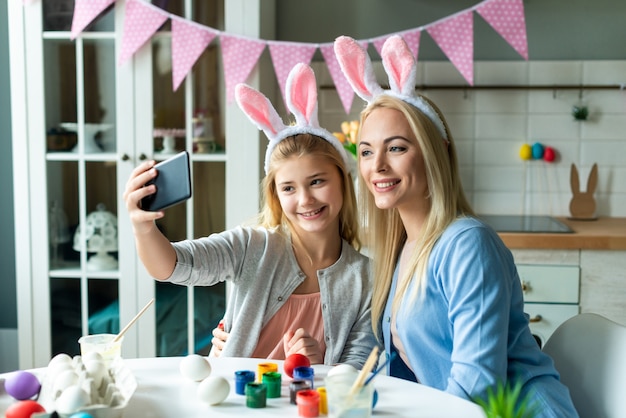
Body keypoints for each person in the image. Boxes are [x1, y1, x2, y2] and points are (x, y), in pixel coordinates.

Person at [333, 34, 578, 416]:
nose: (376, 165)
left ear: (435, 153)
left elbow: (476, 386)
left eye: (396, 148)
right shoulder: (403, 247)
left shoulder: (467, 245)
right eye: (366, 151)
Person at [123, 63, 377, 367]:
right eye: (288, 188)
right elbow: (173, 267)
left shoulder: (367, 279)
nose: (305, 199)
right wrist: (143, 228)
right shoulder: (251, 247)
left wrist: (319, 364)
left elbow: (355, 373)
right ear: (276, 196)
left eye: (317, 181)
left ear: (343, 182)